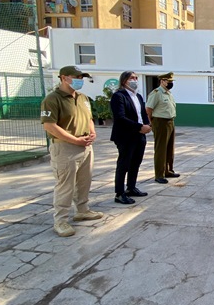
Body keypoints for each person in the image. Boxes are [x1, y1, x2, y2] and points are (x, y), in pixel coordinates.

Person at [40, 66, 103, 237]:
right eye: (76, 77)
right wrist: (74, 140)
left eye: (81, 77)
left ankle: (82, 210)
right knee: (65, 185)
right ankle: (60, 220)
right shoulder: (52, 99)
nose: (80, 80)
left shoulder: (82, 98)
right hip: (65, 147)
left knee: (84, 181)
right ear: (64, 78)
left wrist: (92, 133)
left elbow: (89, 118)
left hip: (85, 145)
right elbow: (49, 125)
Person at [110, 71, 152, 205]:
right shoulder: (119, 96)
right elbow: (120, 117)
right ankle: (119, 193)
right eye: (131, 78)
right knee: (124, 164)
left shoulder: (138, 96)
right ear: (124, 81)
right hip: (126, 135)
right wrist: (139, 126)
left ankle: (131, 187)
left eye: (136, 78)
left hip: (139, 135)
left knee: (136, 162)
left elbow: (142, 114)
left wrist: (147, 125)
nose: (134, 80)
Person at [146, 72, 179, 184]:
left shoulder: (168, 93)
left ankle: (168, 170)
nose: (170, 83)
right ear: (162, 81)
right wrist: (151, 123)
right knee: (161, 149)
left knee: (170, 148)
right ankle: (159, 174)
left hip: (170, 121)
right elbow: (149, 110)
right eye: (168, 82)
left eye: (171, 82)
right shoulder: (156, 93)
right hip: (160, 122)